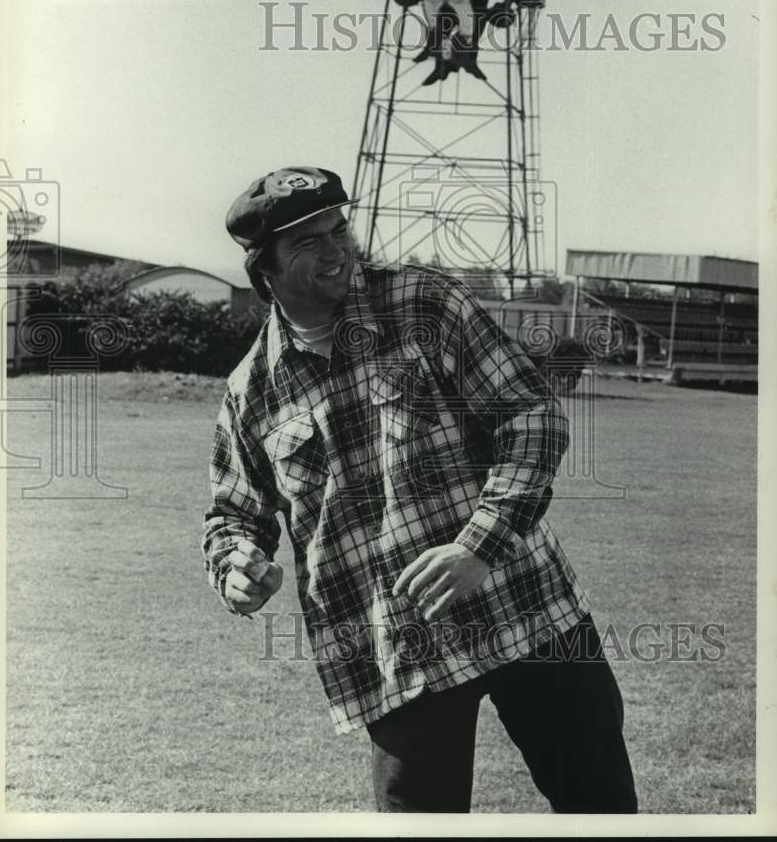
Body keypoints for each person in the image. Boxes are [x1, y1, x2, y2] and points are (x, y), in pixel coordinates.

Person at [202, 166, 638, 814]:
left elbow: (531, 414)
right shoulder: (251, 391)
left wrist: (478, 546)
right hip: (399, 651)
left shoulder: (423, 305)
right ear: (263, 271)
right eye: (308, 243)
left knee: (600, 808)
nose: (336, 249)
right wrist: (235, 564)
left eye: (338, 228)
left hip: (525, 608)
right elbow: (233, 515)